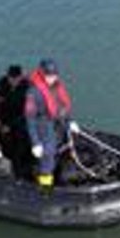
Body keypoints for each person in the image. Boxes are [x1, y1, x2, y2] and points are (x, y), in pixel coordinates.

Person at [24, 58, 73, 190]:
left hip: (58, 125)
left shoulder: (57, 86)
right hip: (43, 126)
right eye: (48, 75)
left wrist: (70, 122)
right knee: (47, 160)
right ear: (42, 74)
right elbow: (30, 119)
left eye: (54, 75)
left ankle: (55, 177)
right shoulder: (33, 93)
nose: (52, 78)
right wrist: (35, 143)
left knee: (59, 151)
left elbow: (63, 106)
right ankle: (45, 189)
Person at [0, 64, 28, 172]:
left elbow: (26, 112)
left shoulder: (27, 88)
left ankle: (18, 166)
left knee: (20, 136)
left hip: (17, 120)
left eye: (16, 78)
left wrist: (10, 125)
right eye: (11, 78)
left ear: (20, 77)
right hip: (1, 116)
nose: (13, 81)